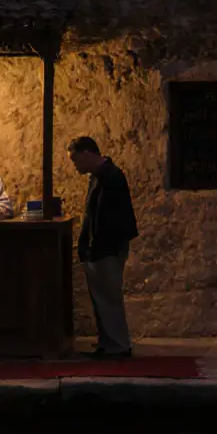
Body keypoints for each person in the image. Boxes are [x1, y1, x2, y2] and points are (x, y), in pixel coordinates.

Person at [68, 136, 139, 358]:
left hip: (107, 248)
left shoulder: (110, 177)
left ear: (87, 154)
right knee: (102, 298)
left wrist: (96, 246)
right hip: (101, 247)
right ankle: (108, 343)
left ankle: (117, 346)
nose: (75, 164)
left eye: (75, 159)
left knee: (109, 298)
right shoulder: (101, 176)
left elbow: (109, 220)